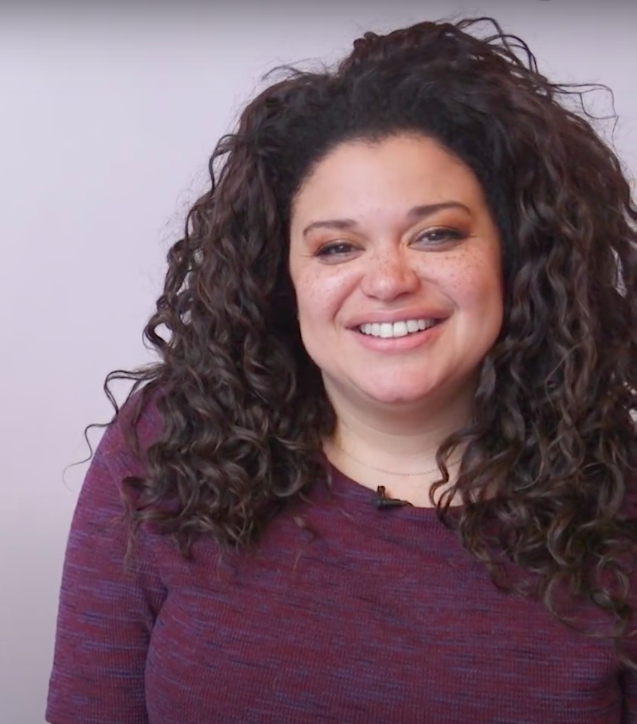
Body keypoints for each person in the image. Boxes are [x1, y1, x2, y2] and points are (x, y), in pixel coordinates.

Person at [46, 16, 636, 724]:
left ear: (517, 257)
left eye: (436, 234)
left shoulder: (617, 509)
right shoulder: (165, 447)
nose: (387, 280)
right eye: (335, 248)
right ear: (280, 276)